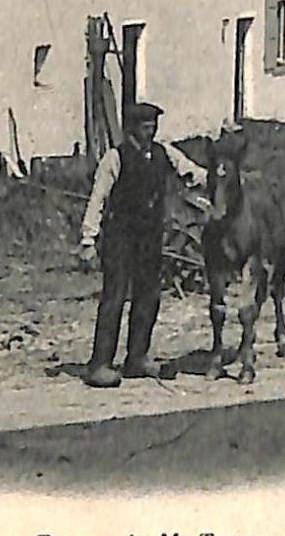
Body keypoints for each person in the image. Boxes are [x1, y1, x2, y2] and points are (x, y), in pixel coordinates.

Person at [77, 102, 207, 389]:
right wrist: (88, 239)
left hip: (149, 238)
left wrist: (225, 178)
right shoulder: (115, 158)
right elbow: (97, 200)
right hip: (120, 238)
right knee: (115, 297)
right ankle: (99, 363)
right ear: (132, 128)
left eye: (154, 126)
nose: (151, 131)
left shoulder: (164, 153)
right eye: (145, 126)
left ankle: (137, 357)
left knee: (149, 296)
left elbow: (192, 173)